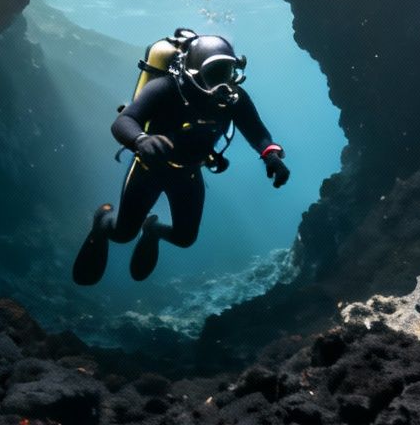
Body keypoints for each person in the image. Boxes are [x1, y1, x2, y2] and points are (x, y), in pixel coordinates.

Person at [73, 33, 290, 284]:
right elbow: (124, 121)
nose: (223, 84)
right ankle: (103, 221)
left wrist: (271, 155)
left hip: (188, 173)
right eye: (214, 73)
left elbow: (257, 132)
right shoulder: (165, 88)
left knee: (184, 238)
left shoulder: (234, 99)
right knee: (122, 234)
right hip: (148, 171)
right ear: (193, 73)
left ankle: (153, 229)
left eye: (228, 72)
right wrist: (141, 140)